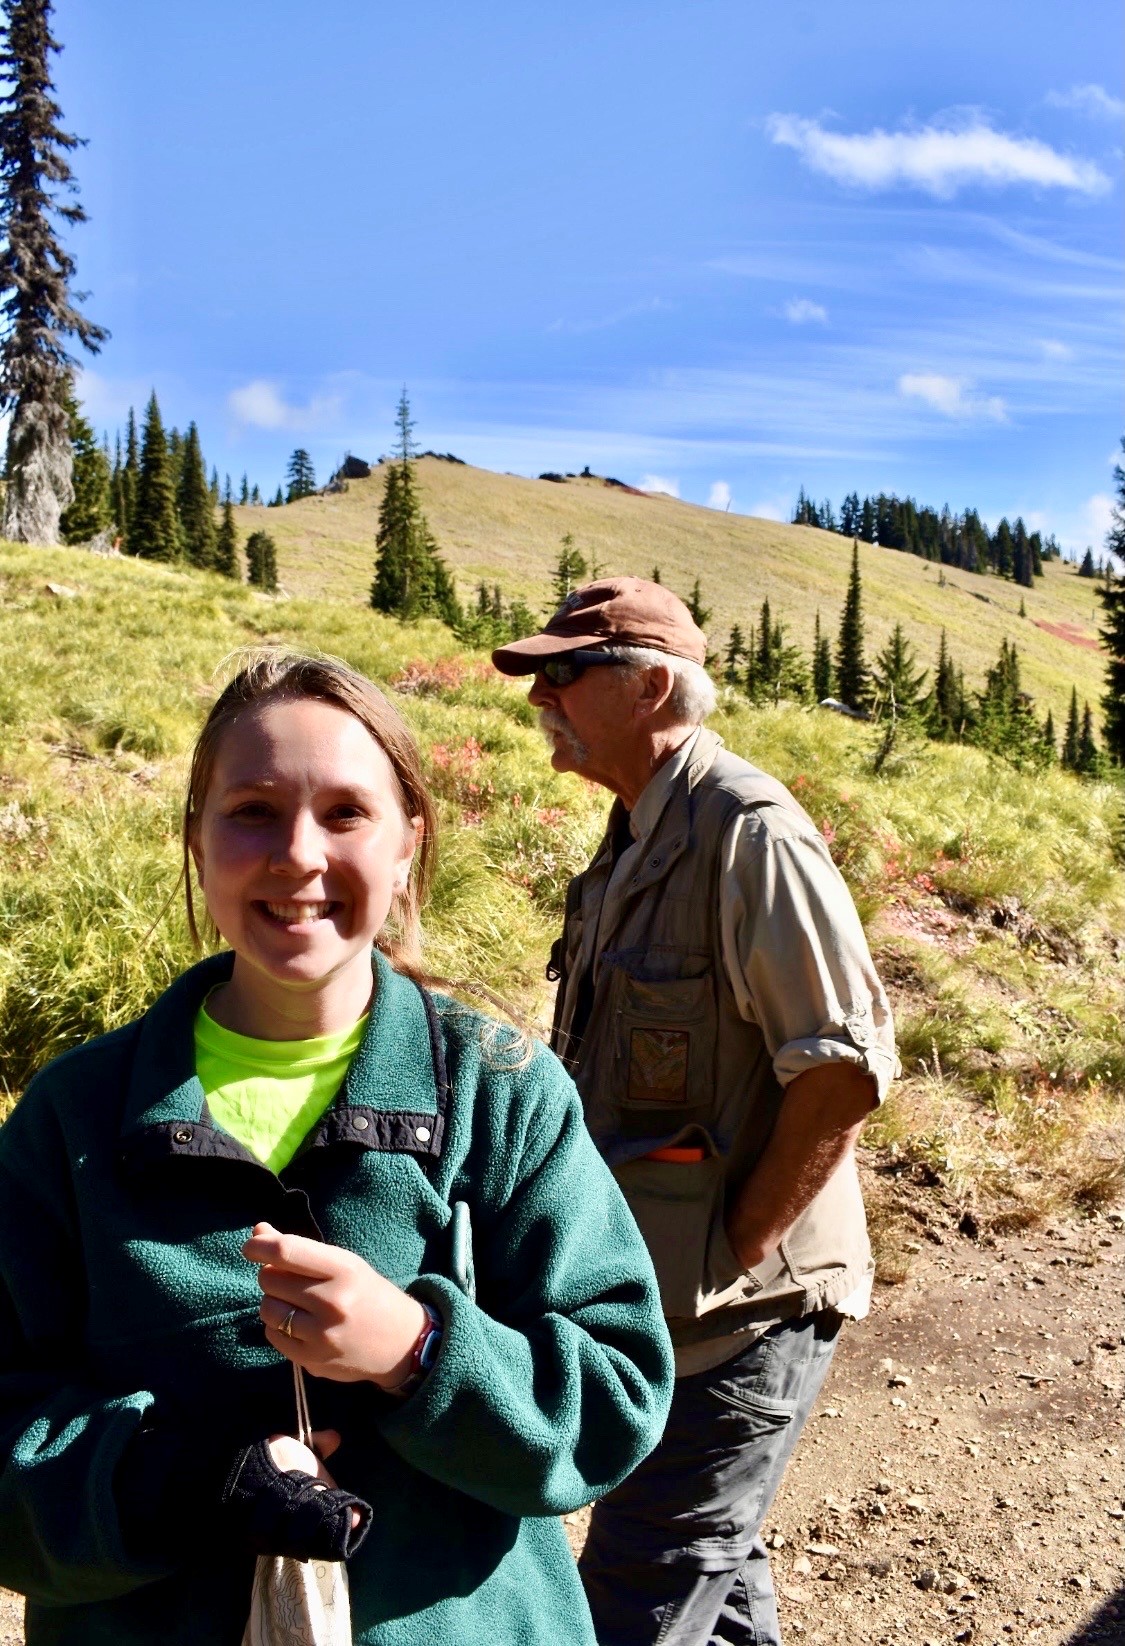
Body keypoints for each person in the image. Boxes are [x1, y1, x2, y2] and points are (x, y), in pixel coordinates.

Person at [0, 649, 674, 1646]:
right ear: (197, 836)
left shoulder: (504, 1094)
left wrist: (422, 1350)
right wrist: (177, 1479)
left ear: (409, 841)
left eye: (346, 812)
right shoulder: (74, 1117)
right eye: (253, 810)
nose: (298, 854)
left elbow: (618, 1393)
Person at [492, 578, 897, 1646]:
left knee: (640, 1587)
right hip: (667, 1306)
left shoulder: (747, 833)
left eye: (566, 674)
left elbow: (844, 1069)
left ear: (654, 685)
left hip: (747, 1313)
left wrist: (738, 1244)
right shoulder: (633, 833)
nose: (542, 698)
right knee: (713, 1583)